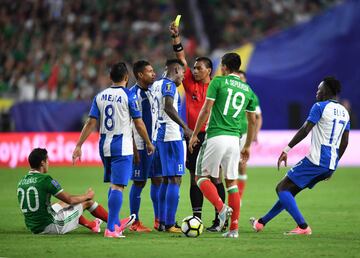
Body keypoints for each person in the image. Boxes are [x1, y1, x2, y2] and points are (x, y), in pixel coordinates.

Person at [250, 76, 350, 235]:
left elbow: (305, 129)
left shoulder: (319, 107)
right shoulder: (345, 113)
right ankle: (261, 223)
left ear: (327, 91)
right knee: (289, 191)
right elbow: (344, 143)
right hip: (329, 163)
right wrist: (334, 165)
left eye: (319, 89)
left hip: (317, 159)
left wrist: (287, 149)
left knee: (282, 188)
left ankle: (303, 227)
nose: (317, 92)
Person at [72, 62, 155, 238]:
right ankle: (111, 229)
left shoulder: (100, 96)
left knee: (114, 184)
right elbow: (139, 124)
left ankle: (115, 222)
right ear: (126, 77)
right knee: (118, 186)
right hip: (122, 147)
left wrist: (79, 145)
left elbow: (91, 122)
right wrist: (148, 142)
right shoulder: (129, 96)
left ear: (110, 78)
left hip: (104, 146)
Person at [189, 53, 257, 238]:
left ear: (225, 67)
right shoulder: (247, 89)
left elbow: (206, 109)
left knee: (201, 178)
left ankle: (221, 207)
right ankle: (233, 229)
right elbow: (252, 120)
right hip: (235, 141)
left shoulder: (218, 82)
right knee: (231, 184)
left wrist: (194, 135)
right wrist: (247, 146)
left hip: (216, 136)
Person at [169, 21, 227, 231]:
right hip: (193, 137)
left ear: (209, 70)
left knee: (215, 177)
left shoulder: (217, 86)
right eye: (193, 68)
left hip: (212, 136)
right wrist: (176, 38)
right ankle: (197, 219)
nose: (194, 70)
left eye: (198, 68)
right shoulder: (189, 83)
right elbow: (181, 59)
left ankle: (221, 218)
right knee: (195, 179)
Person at [17, 148, 109, 235]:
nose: (48, 163)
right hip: (50, 226)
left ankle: (92, 225)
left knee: (60, 204)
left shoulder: (22, 182)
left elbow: (66, 200)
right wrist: (87, 196)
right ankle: (115, 224)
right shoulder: (45, 179)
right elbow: (70, 200)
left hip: (34, 227)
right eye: (47, 161)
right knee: (87, 202)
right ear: (42, 163)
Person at [152, 59, 192, 233]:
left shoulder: (156, 84)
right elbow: (169, 107)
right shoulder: (169, 86)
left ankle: (161, 222)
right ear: (176, 70)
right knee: (175, 178)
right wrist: (185, 127)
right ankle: (169, 224)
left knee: (166, 179)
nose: (183, 76)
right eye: (182, 72)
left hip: (158, 136)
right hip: (170, 136)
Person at [128, 60, 162, 232]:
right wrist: (134, 149)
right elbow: (130, 126)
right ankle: (134, 222)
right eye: (149, 71)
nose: (153, 73)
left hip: (154, 144)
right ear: (140, 75)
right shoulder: (133, 95)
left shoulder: (151, 92)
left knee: (157, 179)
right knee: (139, 182)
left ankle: (158, 219)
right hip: (141, 146)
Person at [237, 70, 263, 205]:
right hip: (229, 132)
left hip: (244, 133)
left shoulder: (251, 95)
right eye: (238, 78)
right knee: (226, 166)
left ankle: (238, 197)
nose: (240, 80)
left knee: (242, 165)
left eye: (242, 78)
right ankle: (232, 195)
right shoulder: (230, 92)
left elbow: (258, 117)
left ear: (246, 80)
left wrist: (255, 134)